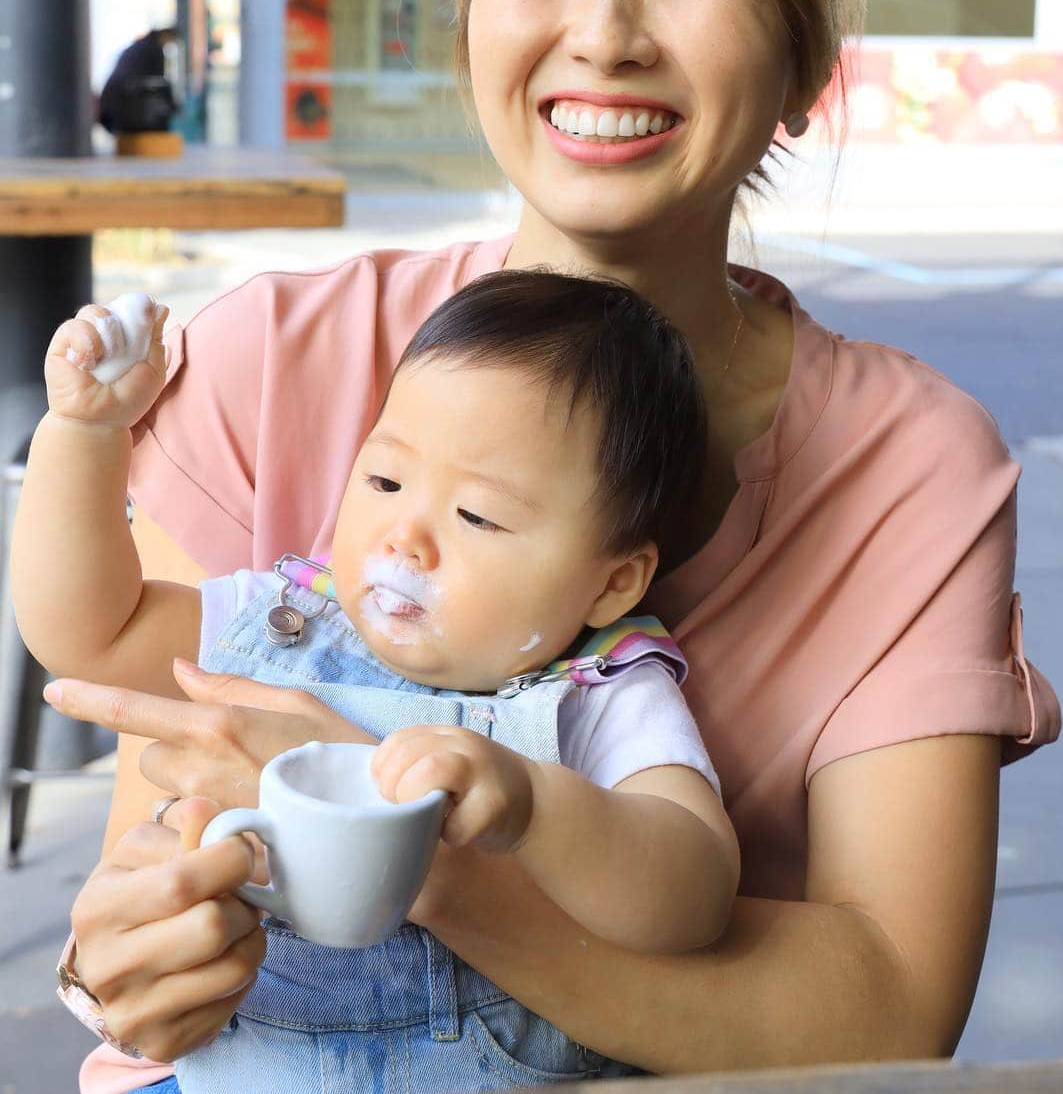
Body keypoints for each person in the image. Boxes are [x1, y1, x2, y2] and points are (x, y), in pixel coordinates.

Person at [33, 0, 1060, 1090]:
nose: (609, 34)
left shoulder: (909, 465)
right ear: (471, 19)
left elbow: (886, 1004)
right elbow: (147, 833)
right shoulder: (271, 359)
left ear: (807, 61)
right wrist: (119, 957)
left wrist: (428, 861)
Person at [15, 271, 740, 1093]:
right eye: (386, 481)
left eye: (479, 517)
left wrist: (536, 806)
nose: (406, 536)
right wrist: (83, 432)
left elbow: (692, 894)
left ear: (612, 582)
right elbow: (88, 632)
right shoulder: (280, 618)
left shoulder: (602, 689)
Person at [97, 26, 178, 135]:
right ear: (167, 36)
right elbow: (159, 80)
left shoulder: (140, 45)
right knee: (162, 92)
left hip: (111, 102)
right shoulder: (153, 49)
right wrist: (172, 104)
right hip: (122, 103)